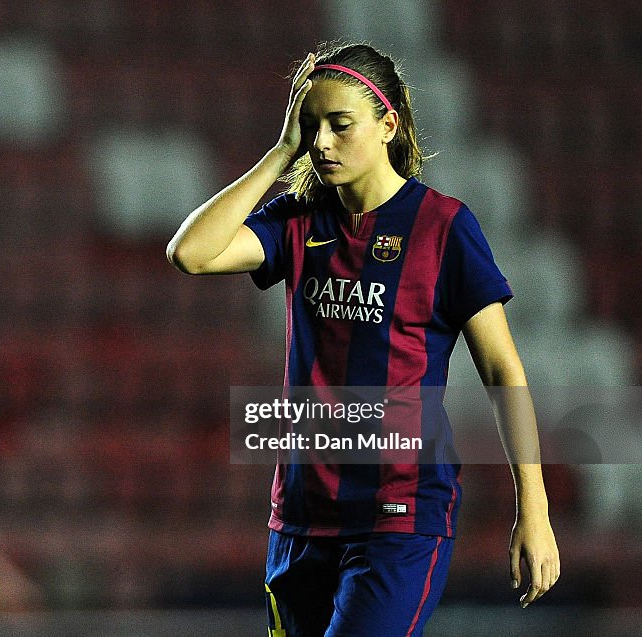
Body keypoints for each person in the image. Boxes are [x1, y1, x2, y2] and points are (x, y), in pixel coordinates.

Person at [166, 41, 560, 636]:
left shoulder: (445, 227)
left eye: (339, 125)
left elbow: (503, 370)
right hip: (300, 515)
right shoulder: (299, 218)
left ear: (387, 123)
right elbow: (189, 254)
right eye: (310, 125)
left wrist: (534, 506)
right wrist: (279, 155)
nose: (320, 142)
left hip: (399, 516)